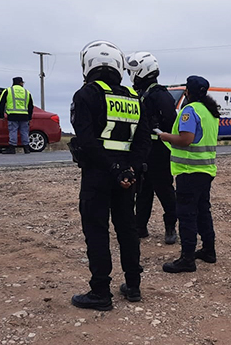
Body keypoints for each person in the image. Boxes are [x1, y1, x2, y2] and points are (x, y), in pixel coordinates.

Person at [69, 40, 151, 311]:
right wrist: (130, 169)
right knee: (127, 229)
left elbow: (87, 140)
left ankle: (100, 292)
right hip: (127, 176)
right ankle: (134, 285)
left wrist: (113, 168)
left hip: (98, 175)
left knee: (97, 231)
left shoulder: (86, 95)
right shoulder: (134, 98)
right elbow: (143, 142)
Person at [158, 75, 220, 273]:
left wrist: (164, 136)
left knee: (186, 215)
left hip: (189, 171)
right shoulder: (210, 112)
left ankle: (187, 258)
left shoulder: (189, 111)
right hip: (205, 170)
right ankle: (209, 250)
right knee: (203, 211)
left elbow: (186, 139)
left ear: (187, 92)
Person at [125, 51, 178, 244]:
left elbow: (171, 121)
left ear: (141, 71)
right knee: (142, 190)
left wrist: (157, 128)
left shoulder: (160, 94)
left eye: (132, 72)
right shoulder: (140, 94)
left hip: (158, 150)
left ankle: (171, 226)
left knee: (164, 189)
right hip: (143, 150)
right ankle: (140, 227)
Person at [0, 77, 34, 154]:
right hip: (24, 115)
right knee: (24, 132)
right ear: (21, 83)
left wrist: (1, 115)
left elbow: (1, 104)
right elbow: (31, 106)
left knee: (13, 131)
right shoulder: (26, 92)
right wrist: (30, 116)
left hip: (12, 115)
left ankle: (12, 148)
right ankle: (26, 148)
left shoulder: (8, 91)